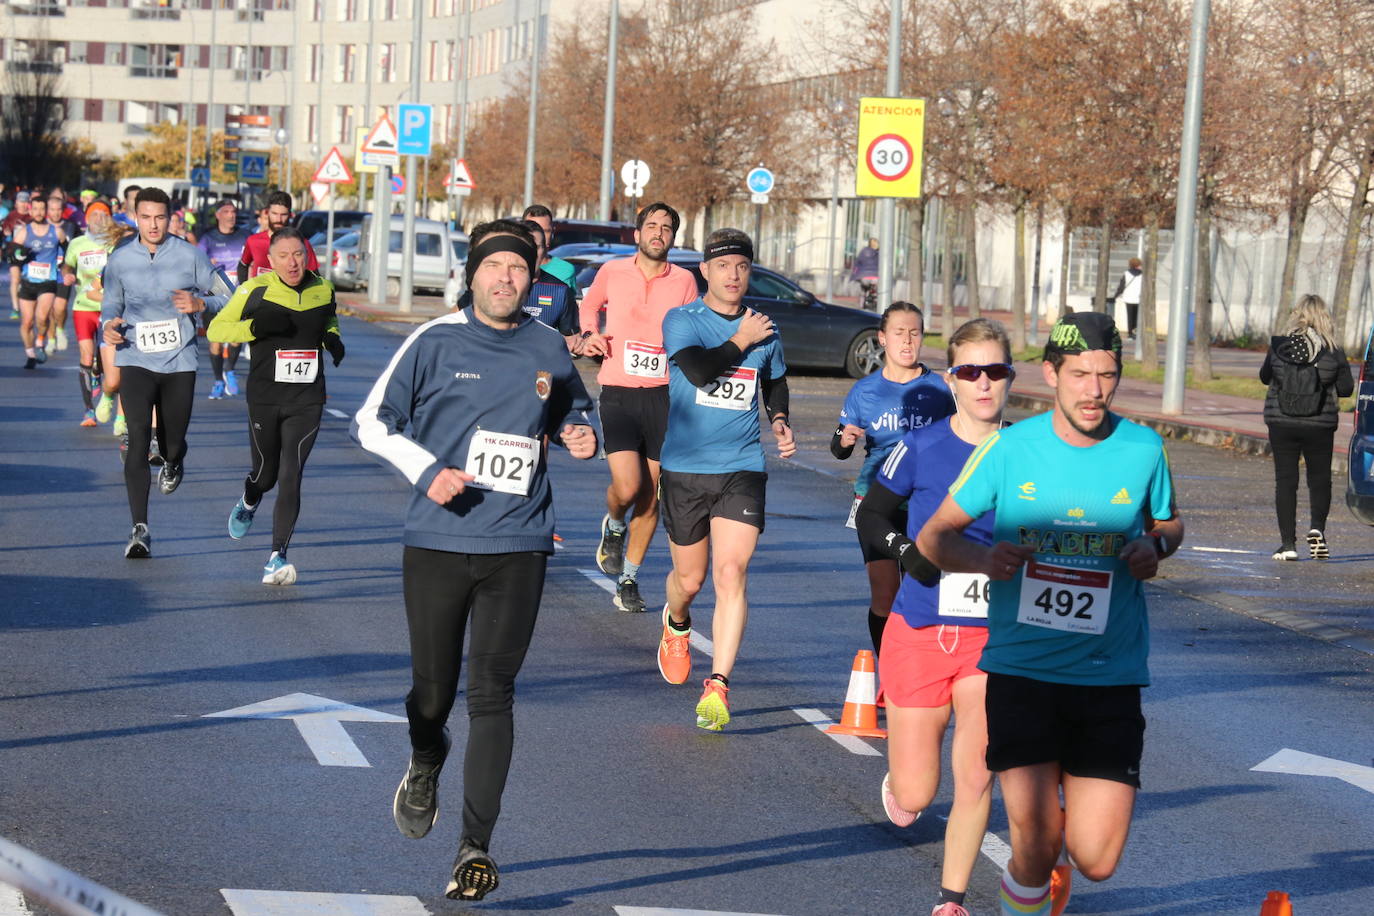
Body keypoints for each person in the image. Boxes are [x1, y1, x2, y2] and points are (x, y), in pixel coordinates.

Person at [354, 219, 597, 901]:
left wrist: (580, 432)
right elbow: (373, 420)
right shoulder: (433, 340)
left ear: (531, 279)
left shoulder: (549, 344)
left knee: (493, 692)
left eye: (518, 271)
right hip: (437, 539)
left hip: (519, 541)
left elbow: (573, 413)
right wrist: (426, 470)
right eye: (495, 269)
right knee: (432, 692)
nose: (506, 280)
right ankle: (426, 754)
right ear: (473, 275)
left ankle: (474, 848)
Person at [917, 311, 1183, 916]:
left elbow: (1169, 520)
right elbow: (936, 536)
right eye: (1081, 374)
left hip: (1108, 677)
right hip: (1023, 674)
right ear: (1052, 373)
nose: (1094, 390)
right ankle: (1032, 880)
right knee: (1034, 845)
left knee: (1097, 859)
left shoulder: (1143, 448)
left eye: (1108, 375)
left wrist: (1156, 545)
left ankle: (1056, 859)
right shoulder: (1010, 449)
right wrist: (985, 559)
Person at [856, 318, 1013, 916]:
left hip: (991, 639)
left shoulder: (1025, 451)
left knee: (977, 773)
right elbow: (874, 516)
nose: (983, 383)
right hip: (920, 631)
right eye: (970, 371)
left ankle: (951, 900)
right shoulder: (921, 446)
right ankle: (901, 779)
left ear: (1009, 379)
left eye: (994, 371)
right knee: (918, 791)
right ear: (952, 378)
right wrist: (909, 557)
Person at [654, 227, 793, 730]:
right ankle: (677, 621)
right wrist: (742, 338)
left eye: (742, 266)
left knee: (730, 573)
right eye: (723, 266)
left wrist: (778, 418)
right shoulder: (682, 320)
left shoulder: (764, 330)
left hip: (742, 467)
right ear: (704, 272)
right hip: (686, 467)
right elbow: (698, 372)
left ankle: (718, 686)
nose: (734, 275)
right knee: (689, 581)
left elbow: (774, 379)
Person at [579, 202, 699, 613]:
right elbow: (588, 307)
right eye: (652, 225)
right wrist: (590, 334)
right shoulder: (612, 271)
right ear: (637, 234)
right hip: (618, 390)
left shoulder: (685, 281)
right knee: (628, 487)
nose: (659, 233)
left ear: (673, 238)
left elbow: (694, 327)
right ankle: (613, 526)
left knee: (650, 498)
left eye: (667, 228)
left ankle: (628, 579)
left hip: (664, 396)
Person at [208, 226, 342, 584]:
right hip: (266, 397)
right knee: (265, 474)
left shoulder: (323, 287)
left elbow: (329, 317)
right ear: (270, 260)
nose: (292, 262)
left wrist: (332, 337)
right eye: (283, 256)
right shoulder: (254, 290)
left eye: (298, 254)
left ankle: (277, 556)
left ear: (306, 255)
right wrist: (255, 328)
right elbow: (216, 330)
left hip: (308, 399)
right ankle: (249, 499)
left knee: (290, 475)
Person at [101, 187, 229, 558]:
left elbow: (229, 294)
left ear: (171, 217)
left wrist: (202, 302)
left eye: (160, 217)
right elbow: (110, 304)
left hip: (180, 362)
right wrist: (108, 326)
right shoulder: (121, 259)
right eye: (146, 217)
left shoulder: (190, 256)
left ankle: (175, 459)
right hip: (135, 358)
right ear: (135, 217)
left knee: (172, 440)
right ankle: (139, 529)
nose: (153, 225)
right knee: (137, 439)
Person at [832, 301, 954, 654]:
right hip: (876, 501)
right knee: (884, 593)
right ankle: (890, 671)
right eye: (899, 333)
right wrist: (844, 440)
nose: (907, 341)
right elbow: (838, 448)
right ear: (883, 338)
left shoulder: (941, 390)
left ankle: (918, 662)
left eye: (914, 333)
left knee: (920, 587)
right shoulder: (865, 391)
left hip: (925, 500)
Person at [1259, 293, 1354, 561]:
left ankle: (1288, 544)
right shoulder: (1333, 350)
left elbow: (1265, 377)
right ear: (1325, 316)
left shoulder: (1280, 346)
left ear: (1297, 314)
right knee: (1319, 479)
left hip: (1281, 422)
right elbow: (1346, 389)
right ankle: (1317, 529)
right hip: (1319, 424)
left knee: (1286, 481)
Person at [62, 200, 120, 426]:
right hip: (84, 306)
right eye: (94, 214)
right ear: (86, 218)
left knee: (104, 361)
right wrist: (67, 275)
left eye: (103, 214)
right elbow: (67, 265)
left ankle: (100, 376)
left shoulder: (116, 242)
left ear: (110, 218)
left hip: (110, 308)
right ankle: (88, 410)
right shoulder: (77, 243)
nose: (98, 218)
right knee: (86, 356)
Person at [198, 200, 253, 399]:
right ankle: (218, 381)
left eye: (234, 212)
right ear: (218, 215)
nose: (232, 215)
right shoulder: (208, 238)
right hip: (214, 295)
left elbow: (254, 257)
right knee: (216, 341)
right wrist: (207, 264)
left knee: (237, 337)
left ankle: (229, 370)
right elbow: (197, 262)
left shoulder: (245, 236)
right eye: (227, 211)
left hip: (239, 295)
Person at [11, 194, 67, 369]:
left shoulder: (56, 232)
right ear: (30, 209)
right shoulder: (24, 232)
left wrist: (66, 269)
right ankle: (30, 353)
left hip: (47, 282)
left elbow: (68, 253)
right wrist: (20, 255)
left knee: (42, 318)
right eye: (35, 208)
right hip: (28, 282)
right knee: (27, 322)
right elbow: (12, 255)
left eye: (42, 209)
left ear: (46, 211)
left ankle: (41, 341)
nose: (38, 212)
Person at [45, 187, 80, 353]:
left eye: (59, 209)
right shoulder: (40, 227)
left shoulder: (71, 227)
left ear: (63, 210)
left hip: (63, 272)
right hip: (45, 273)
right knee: (49, 309)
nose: (55, 213)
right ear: (47, 210)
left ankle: (60, 329)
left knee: (59, 307)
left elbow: (80, 245)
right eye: (52, 209)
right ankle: (51, 339)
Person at [520, 204, 578, 297]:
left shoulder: (566, 270)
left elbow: (570, 307)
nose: (540, 236)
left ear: (552, 232)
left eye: (545, 231)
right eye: (533, 230)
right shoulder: (510, 266)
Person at [3, 191, 31, 320]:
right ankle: (16, 308)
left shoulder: (32, 217)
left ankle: (28, 304)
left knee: (26, 280)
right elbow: (3, 232)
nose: (23, 204)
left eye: (26, 201)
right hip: (13, 251)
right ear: (16, 203)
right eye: (21, 201)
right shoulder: (11, 216)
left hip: (30, 252)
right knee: (15, 279)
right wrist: (6, 233)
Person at [1111, 257, 1143, 339]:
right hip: (1139, 298)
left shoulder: (1126, 273)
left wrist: (1115, 296)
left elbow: (1121, 287)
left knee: (1130, 317)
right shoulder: (1143, 275)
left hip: (1128, 298)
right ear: (1138, 265)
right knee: (1137, 318)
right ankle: (1135, 334)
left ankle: (1130, 334)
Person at [851, 237, 880, 309]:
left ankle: (861, 305)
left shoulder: (863, 251)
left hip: (864, 277)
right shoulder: (879, 253)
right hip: (876, 279)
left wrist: (854, 274)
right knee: (877, 290)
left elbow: (857, 263)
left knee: (863, 291)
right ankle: (876, 301)